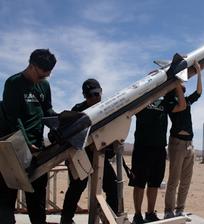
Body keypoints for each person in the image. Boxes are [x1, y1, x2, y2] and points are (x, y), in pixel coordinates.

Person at [0, 49, 57, 224]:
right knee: (7, 195)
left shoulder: (44, 85)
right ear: (32, 66)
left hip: (37, 149)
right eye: (41, 75)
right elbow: (12, 117)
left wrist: (60, 122)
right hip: (13, 148)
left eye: (47, 76)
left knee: (37, 196)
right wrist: (25, 142)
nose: (43, 79)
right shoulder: (13, 83)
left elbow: (47, 110)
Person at [60, 79, 118, 224]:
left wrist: (107, 147)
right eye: (89, 95)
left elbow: (113, 132)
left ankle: (111, 217)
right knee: (76, 188)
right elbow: (68, 135)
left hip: (100, 154)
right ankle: (66, 220)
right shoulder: (78, 111)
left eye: (96, 94)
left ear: (101, 92)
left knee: (112, 186)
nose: (94, 98)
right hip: (81, 155)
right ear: (84, 96)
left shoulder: (107, 108)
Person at [129, 82, 186, 224]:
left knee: (154, 183)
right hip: (142, 147)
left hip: (159, 148)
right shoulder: (141, 99)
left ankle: (150, 213)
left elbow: (182, 106)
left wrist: (177, 84)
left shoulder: (165, 101)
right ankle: (137, 215)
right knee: (139, 183)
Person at [164, 61, 202, 218]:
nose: (184, 84)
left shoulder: (186, 100)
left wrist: (199, 72)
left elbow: (199, 92)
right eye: (181, 84)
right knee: (174, 181)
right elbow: (182, 106)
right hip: (177, 144)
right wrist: (176, 82)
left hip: (189, 145)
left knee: (185, 181)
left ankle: (180, 210)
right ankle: (168, 212)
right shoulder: (169, 102)